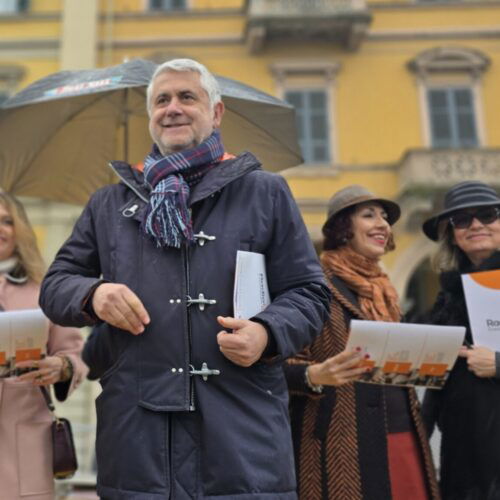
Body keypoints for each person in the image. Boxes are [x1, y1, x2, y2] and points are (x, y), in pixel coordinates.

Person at [39, 58, 331, 500]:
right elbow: (56, 284)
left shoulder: (265, 192)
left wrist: (267, 332)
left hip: (241, 440)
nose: (172, 108)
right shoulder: (108, 202)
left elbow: (309, 293)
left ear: (216, 113)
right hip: (136, 439)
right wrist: (93, 294)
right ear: (151, 117)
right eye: (161, 100)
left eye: (186, 97)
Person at [285, 185, 440, 500]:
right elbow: (279, 363)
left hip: (403, 435)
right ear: (343, 229)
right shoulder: (315, 288)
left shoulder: (385, 291)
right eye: (368, 215)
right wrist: (313, 375)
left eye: (384, 217)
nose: (382, 224)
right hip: (340, 445)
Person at [0, 191, 87, 500]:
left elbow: (75, 354)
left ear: (20, 230)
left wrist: (61, 366)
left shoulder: (45, 289)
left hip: (26, 440)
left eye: (8, 221)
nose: (1, 229)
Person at [421, 180, 500, 500]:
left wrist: (497, 364)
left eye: (487, 214)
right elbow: (435, 375)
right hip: (462, 456)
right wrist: (419, 438)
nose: (476, 225)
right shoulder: (449, 294)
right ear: (452, 234)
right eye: (462, 220)